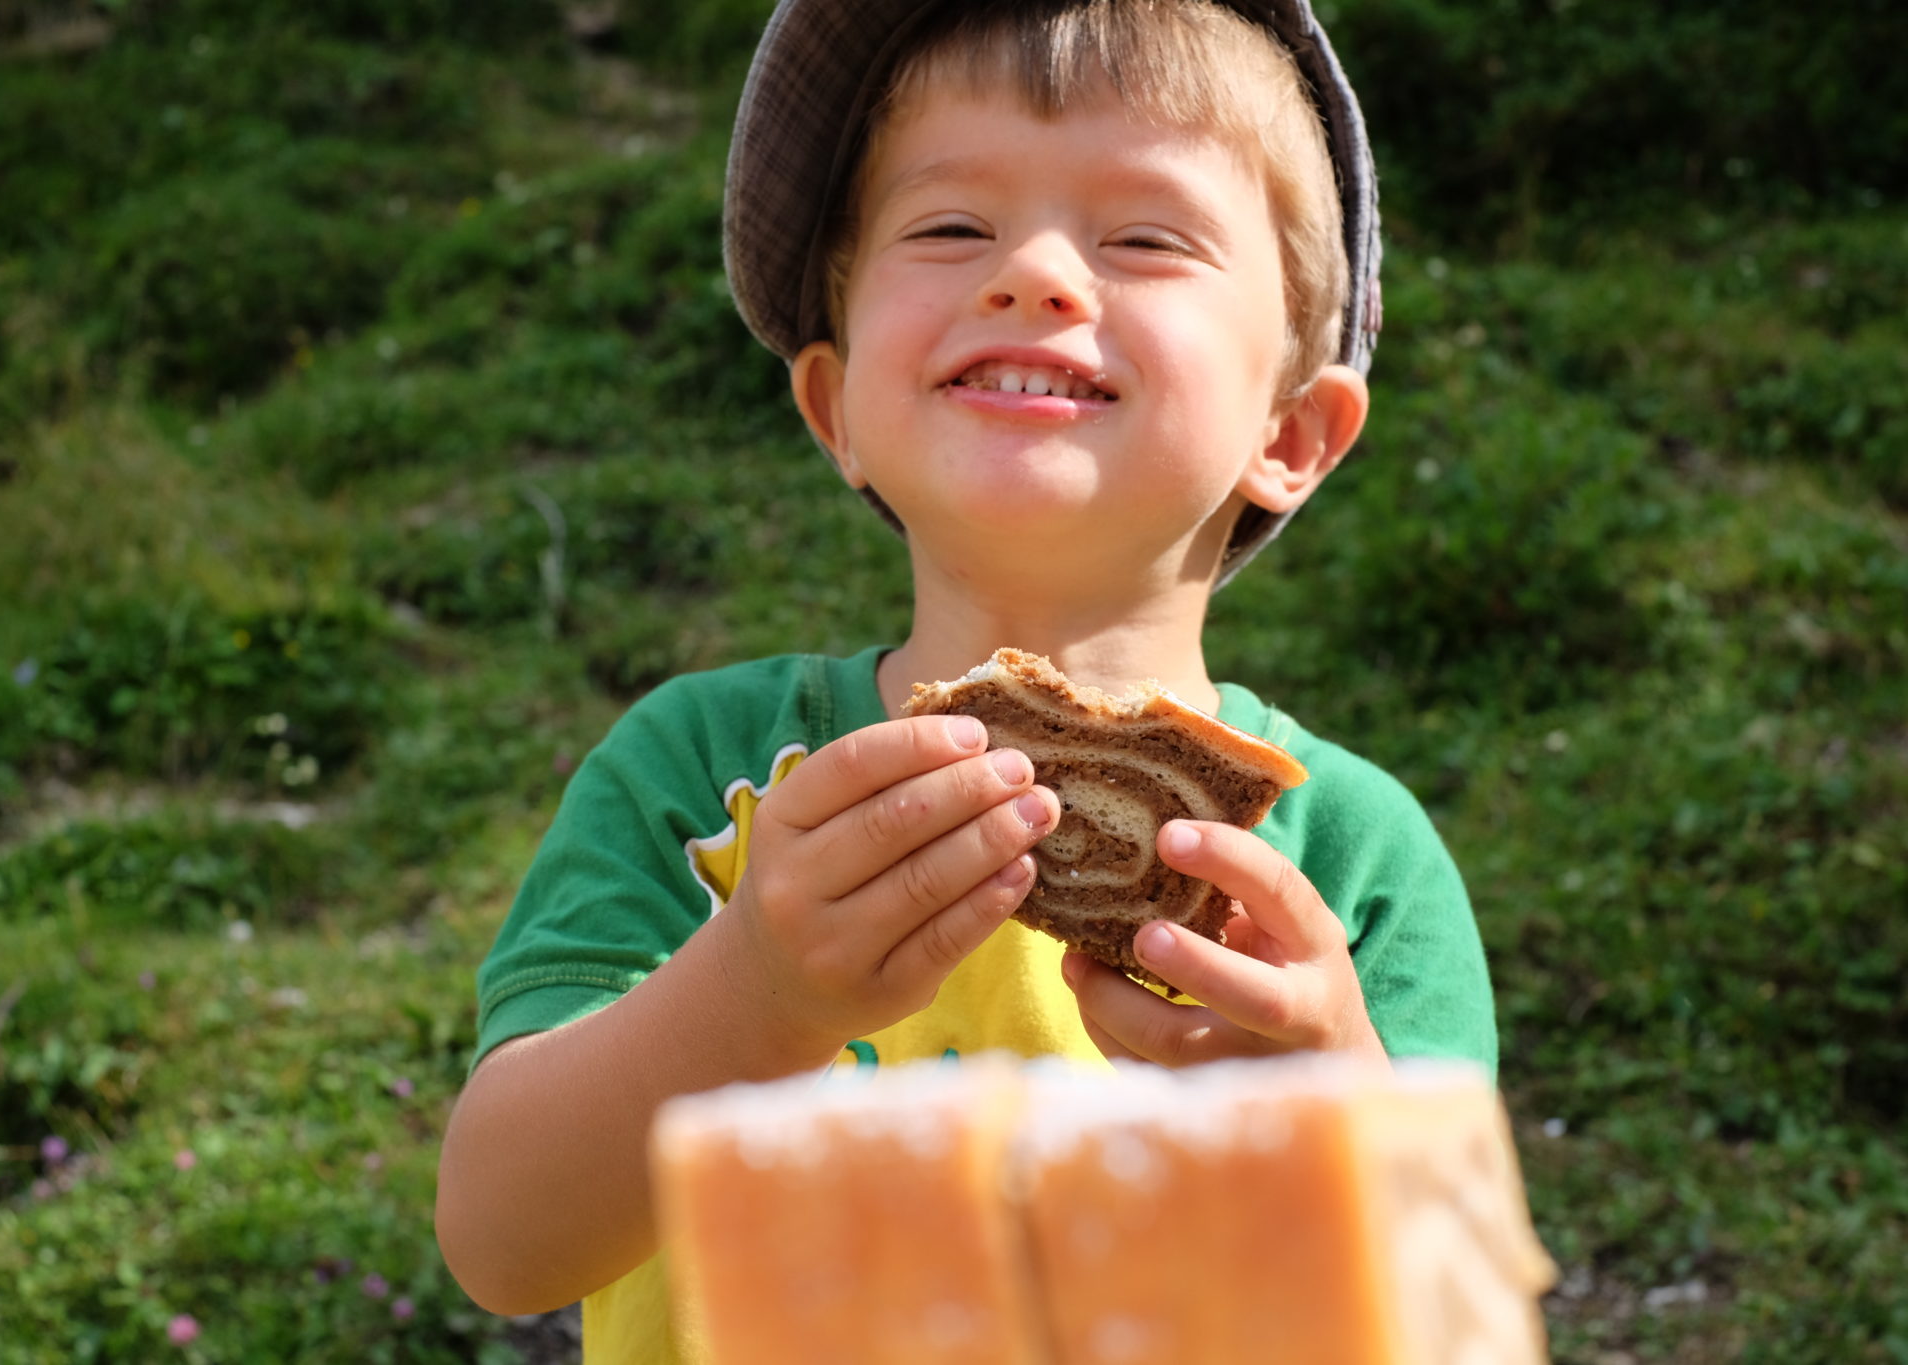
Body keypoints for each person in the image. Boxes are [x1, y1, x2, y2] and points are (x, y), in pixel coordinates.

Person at [436, 1, 1497, 1358]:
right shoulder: (705, 781)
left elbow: (1457, 1322)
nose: (1037, 274)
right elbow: (506, 1238)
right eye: (950, 229)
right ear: (835, 410)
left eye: (1146, 237)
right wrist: (760, 988)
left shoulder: (1343, 863)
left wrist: (1336, 1111)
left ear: (1292, 432)